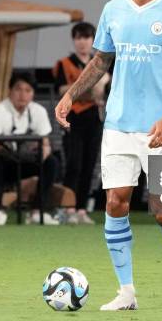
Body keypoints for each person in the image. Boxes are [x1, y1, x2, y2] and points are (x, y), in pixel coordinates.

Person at [55, 0, 162, 311]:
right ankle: (127, 292)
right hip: (118, 126)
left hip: (161, 131)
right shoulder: (112, 10)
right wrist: (71, 94)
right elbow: (101, 60)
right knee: (115, 202)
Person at [0, 72, 60, 226]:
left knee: (51, 162)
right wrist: (16, 150)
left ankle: (37, 211)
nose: (23, 95)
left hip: (21, 161)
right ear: (10, 91)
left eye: (28, 90)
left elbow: (45, 144)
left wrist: (40, 155)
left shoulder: (38, 111)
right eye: (18, 89)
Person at [53, 22, 108, 225]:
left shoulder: (99, 63)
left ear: (93, 40)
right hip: (72, 117)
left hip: (94, 118)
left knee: (89, 164)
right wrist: (86, 90)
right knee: (73, 163)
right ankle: (68, 208)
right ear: (74, 40)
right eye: (78, 37)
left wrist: (81, 90)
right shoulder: (64, 63)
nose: (82, 42)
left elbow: (103, 90)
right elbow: (61, 90)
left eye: (86, 37)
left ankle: (82, 208)